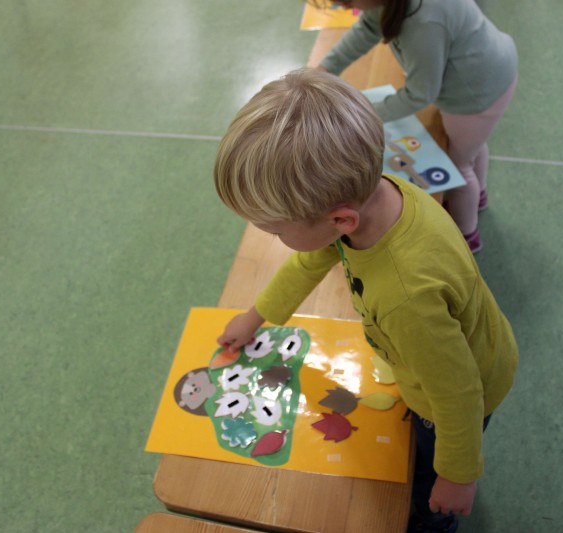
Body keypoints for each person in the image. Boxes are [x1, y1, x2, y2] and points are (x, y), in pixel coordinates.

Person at [213, 68, 518, 533]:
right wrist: (256, 316)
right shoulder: (380, 194)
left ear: (341, 220)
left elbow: (458, 395)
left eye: (275, 231)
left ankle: (433, 524)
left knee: (426, 481)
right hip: (447, 356)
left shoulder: (405, 298)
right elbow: (309, 262)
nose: (273, 239)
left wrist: (458, 475)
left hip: (457, 393)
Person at [311, 0, 518, 253]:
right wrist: (326, 68)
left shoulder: (423, 21)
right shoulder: (392, 6)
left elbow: (420, 95)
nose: (342, 6)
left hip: (474, 95)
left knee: (457, 169)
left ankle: (467, 236)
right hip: (489, 69)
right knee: (471, 148)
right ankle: (479, 198)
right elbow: (368, 27)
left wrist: (361, 114)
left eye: (348, 1)